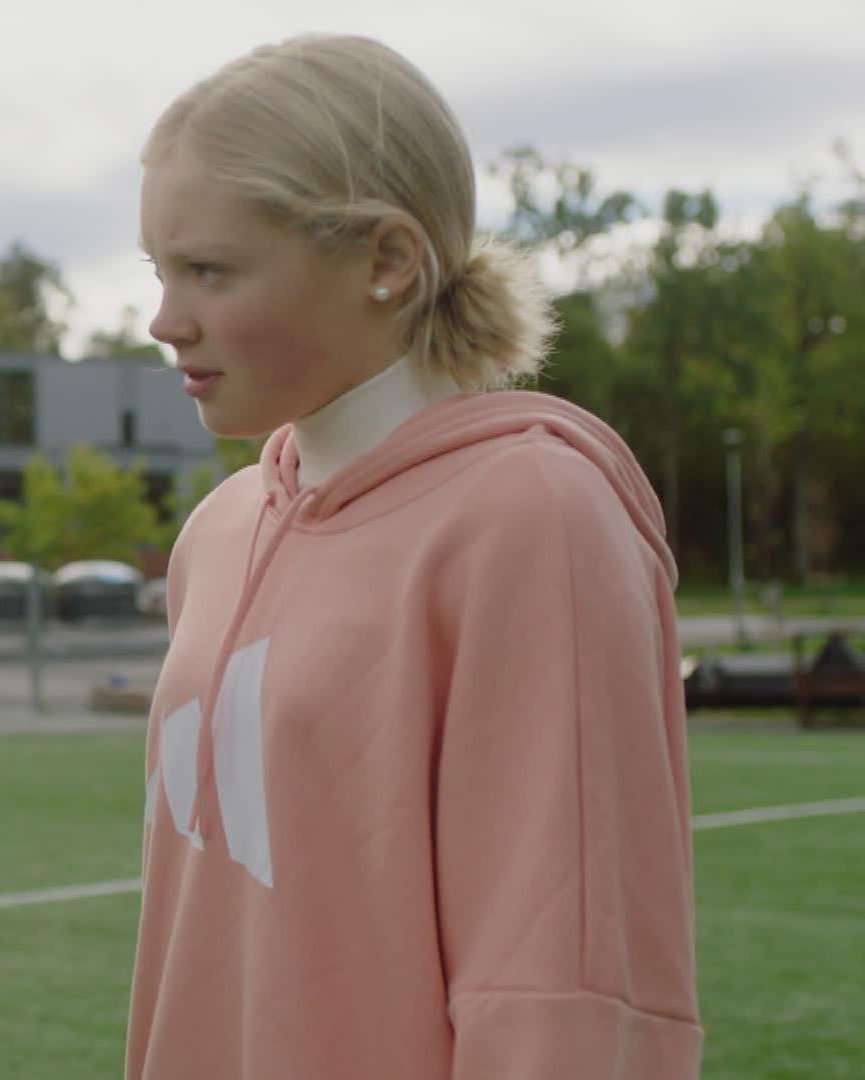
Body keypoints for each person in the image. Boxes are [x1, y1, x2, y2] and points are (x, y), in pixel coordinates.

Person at [130, 34, 701, 1079]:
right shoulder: (218, 532)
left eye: (209, 270)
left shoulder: (536, 516)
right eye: (160, 272)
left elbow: (558, 993)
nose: (166, 321)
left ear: (387, 261)